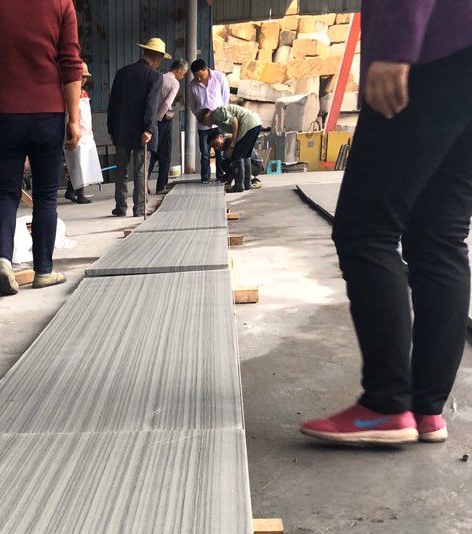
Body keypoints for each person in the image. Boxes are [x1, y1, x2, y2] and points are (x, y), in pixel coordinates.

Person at [300, 0, 472, 446]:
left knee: (366, 229)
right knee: (440, 237)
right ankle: (425, 409)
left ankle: (387, 406)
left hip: (436, 48)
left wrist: (396, 44)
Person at [0, 0, 83, 296]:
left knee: (5, 192)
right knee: (45, 197)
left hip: (2, 113)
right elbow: (70, 62)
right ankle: (43, 271)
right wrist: (74, 119)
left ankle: (3, 260)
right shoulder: (61, 3)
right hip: (46, 113)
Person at [107, 38, 166, 217]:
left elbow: (113, 103)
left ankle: (120, 207)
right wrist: (149, 129)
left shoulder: (122, 73)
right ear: (157, 58)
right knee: (141, 171)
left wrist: (111, 128)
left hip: (121, 130)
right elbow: (151, 105)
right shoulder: (155, 76)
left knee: (121, 170)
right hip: (142, 132)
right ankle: (139, 208)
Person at [198, 103, 261, 192]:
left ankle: (239, 185)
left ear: (206, 117)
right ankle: (246, 184)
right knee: (245, 155)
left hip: (249, 124)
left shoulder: (216, 114)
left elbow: (234, 121)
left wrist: (233, 142)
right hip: (255, 123)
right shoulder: (218, 120)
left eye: (204, 123)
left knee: (237, 155)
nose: (207, 126)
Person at [148, 58, 188, 196]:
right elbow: (167, 103)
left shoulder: (159, 77)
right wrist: (159, 118)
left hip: (151, 119)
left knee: (152, 152)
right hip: (163, 120)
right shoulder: (174, 83)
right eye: (183, 73)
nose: (183, 76)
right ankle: (161, 186)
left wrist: (153, 119)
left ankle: (143, 184)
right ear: (179, 70)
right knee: (165, 153)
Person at [187, 59, 229, 183]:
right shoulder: (192, 85)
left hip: (218, 123)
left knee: (220, 151)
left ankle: (221, 177)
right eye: (196, 77)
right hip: (203, 126)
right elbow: (192, 105)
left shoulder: (219, 77)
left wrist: (220, 115)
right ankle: (205, 179)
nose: (199, 79)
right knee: (205, 153)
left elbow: (225, 97)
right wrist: (201, 117)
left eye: (201, 76)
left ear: (206, 69)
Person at [65, 62, 100, 204]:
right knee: (78, 163)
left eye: (85, 77)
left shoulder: (83, 92)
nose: (84, 79)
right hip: (76, 131)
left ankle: (71, 190)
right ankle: (80, 194)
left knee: (82, 163)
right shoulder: (69, 93)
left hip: (86, 132)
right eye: (82, 76)